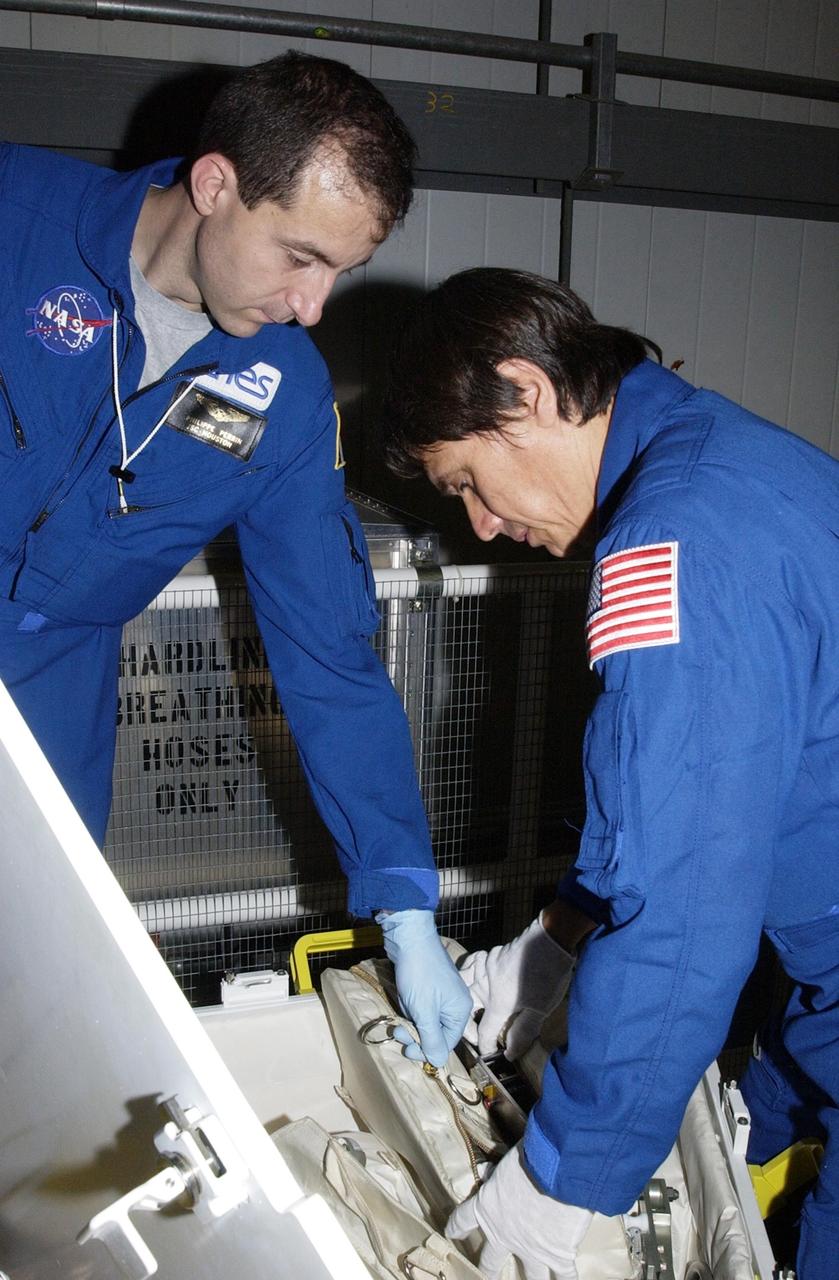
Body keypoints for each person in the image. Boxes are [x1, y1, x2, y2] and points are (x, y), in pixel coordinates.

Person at [0, 51, 470, 1068]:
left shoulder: (285, 398)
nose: (313, 306)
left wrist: (400, 902)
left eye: (339, 271)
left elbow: (331, 658)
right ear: (214, 186)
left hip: (46, 708)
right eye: (299, 256)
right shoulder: (14, 217)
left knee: (23, 994)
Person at [380, 266, 839, 1280]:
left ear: (525, 393)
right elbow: (677, 805)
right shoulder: (724, 457)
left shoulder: (674, 542)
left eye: (464, 481)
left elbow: (681, 912)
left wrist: (561, 1176)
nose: (481, 525)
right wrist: (543, 954)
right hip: (821, 965)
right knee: (752, 1137)